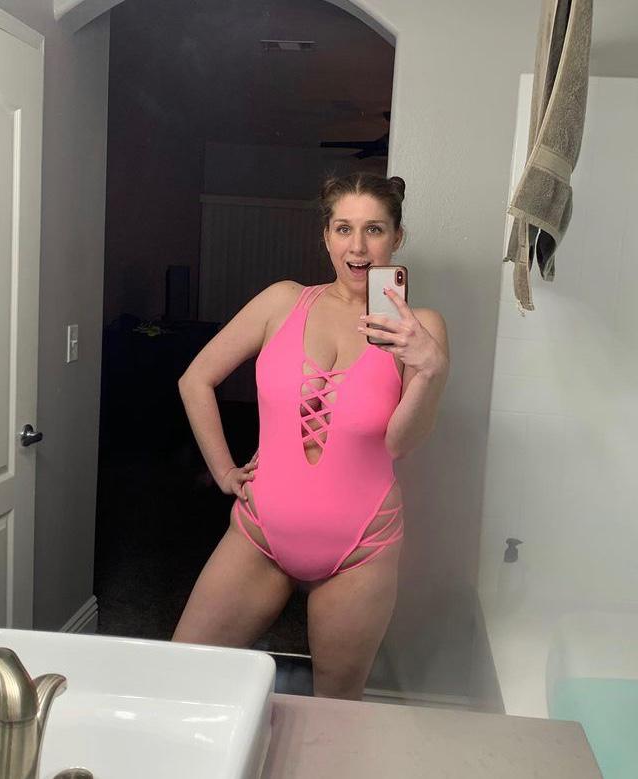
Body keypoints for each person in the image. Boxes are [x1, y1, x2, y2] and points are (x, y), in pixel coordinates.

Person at [172, 172, 449, 700]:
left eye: (374, 229)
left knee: (336, 708)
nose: (358, 246)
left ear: (397, 237)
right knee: (184, 671)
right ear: (325, 236)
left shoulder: (420, 328)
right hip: (259, 533)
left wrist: (431, 370)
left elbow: (401, 442)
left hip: (361, 546)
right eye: (344, 228)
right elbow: (196, 379)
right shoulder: (282, 302)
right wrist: (224, 471)